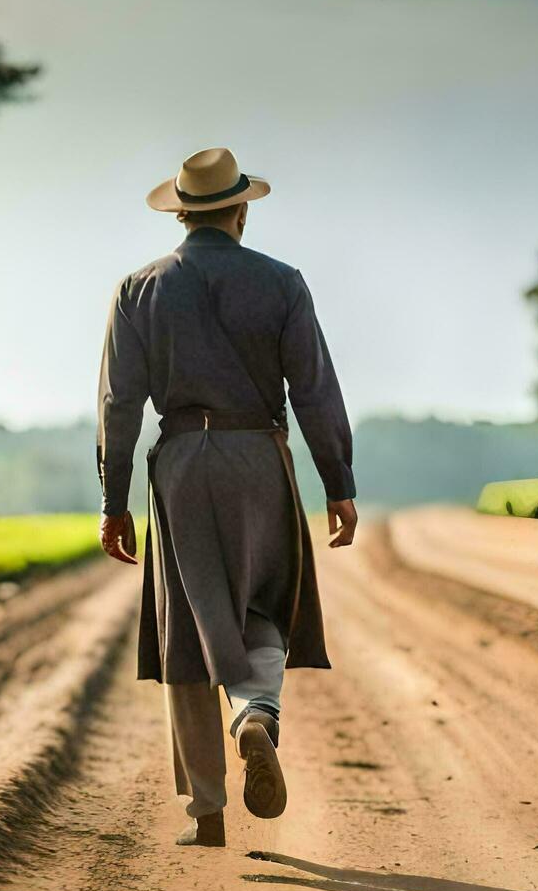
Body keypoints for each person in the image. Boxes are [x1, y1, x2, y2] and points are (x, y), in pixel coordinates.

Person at [95, 147, 357, 847]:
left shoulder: (137, 289)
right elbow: (315, 389)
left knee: (186, 625)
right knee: (265, 603)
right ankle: (255, 715)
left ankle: (206, 813)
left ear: (181, 213)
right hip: (258, 459)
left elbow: (120, 405)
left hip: (179, 465)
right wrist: (339, 482)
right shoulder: (282, 283)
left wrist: (112, 500)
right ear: (241, 211)